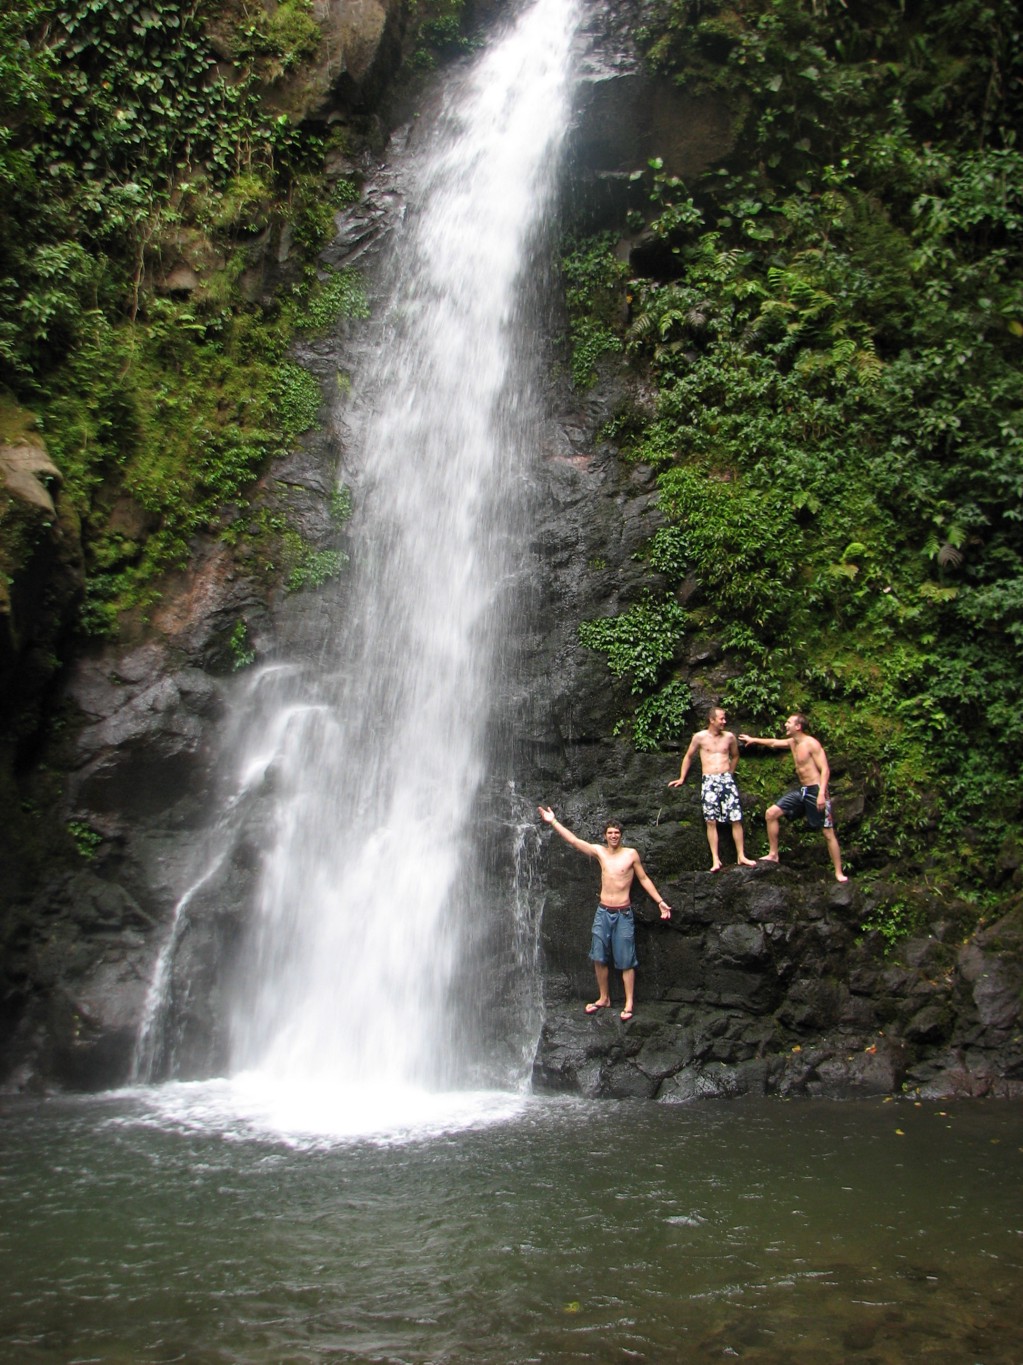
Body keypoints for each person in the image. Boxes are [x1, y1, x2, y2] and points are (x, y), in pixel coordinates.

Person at [537, 808, 671, 1021]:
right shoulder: (600, 852)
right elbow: (574, 841)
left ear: (621, 835)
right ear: (605, 835)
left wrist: (660, 902)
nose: (613, 836)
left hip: (623, 914)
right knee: (599, 957)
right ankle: (604, 998)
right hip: (603, 912)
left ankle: (628, 1003)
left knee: (626, 959)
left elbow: (644, 879)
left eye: (617, 833)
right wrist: (553, 822)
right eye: (610, 833)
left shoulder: (631, 855)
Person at [738, 714, 848, 883]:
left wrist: (821, 793)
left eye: (789, 722)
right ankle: (774, 854)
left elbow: (825, 770)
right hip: (802, 790)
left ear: (798, 727)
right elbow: (774, 743)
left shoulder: (811, 743)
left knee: (827, 832)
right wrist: (754, 739)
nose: (785, 724)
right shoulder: (792, 742)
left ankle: (838, 872)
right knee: (771, 813)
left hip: (816, 790)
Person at [668, 705, 757, 872]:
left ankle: (741, 855)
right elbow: (688, 756)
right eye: (721, 718)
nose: (725, 721)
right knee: (710, 820)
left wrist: (730, 772)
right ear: (712, 720)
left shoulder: (729, 737)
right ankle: (716, 860)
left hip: (725, 779)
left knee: (736, 817)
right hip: (708, 780)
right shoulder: (700, 737)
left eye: (724, 718)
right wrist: (682, 778)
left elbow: (735, 755)